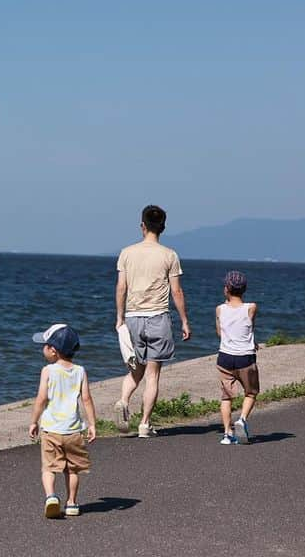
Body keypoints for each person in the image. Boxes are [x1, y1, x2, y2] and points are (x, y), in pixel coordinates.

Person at [113, 205, 191, 438]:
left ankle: (124, 400)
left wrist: (120, 318)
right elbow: (176, 292)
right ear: (163, 228)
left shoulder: (127, 253)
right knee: (153, 375)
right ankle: (145, 424)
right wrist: (185, 321)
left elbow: (121, 287)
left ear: (142, 226)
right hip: (158, 317)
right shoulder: (169, 255)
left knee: (135, 369)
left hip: (133, 317)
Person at [28, 323, 97, 518]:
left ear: (53, 350)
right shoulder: (80, 371)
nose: (43, 349)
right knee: (72, 469)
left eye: (45, 345)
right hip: (73, 430)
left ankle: (51, 497)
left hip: (51, 429)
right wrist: (92, 424)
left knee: (49, 467)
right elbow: (86, 399)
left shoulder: (48, 371)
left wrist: (34, 421)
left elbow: (41, 399)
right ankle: (72, 503)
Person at [216, 270, 259, 445]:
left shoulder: (220, 309)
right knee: (251, 392)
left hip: (225, 357)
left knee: (226, 396)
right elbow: (250, 328)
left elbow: (220, 333)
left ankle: (227, 433)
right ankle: (241, 419)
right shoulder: (251, 307)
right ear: (244, 289)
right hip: (245, 357)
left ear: (226, 288)